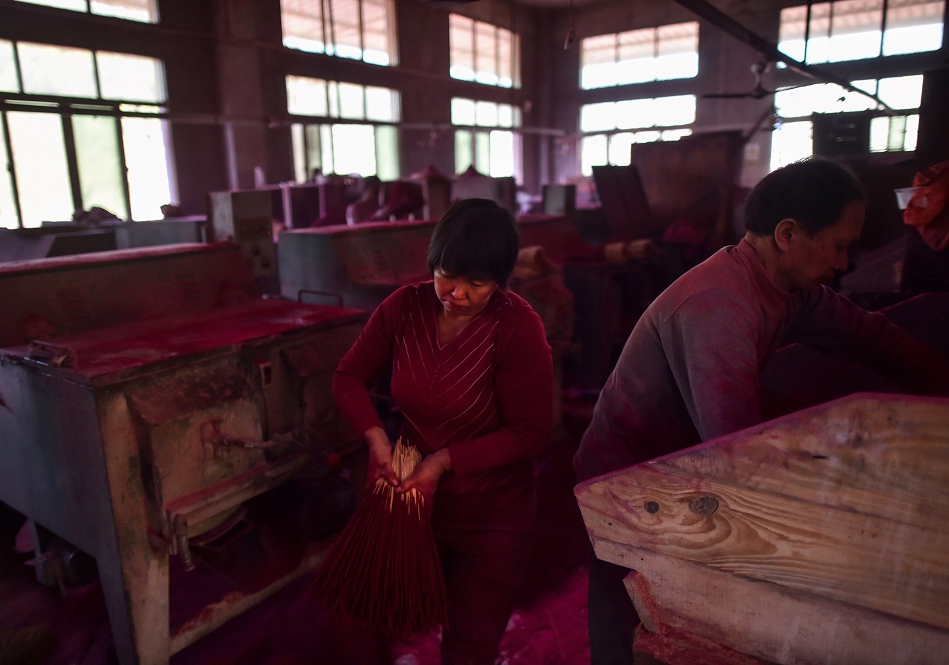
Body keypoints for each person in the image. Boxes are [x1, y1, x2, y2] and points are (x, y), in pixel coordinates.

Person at [573, 156, 949, 665]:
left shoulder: (793, 289)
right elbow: (734, 445)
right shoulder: (717, 306)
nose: (843, 262)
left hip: (677, 465)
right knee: (633, 609)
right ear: (788, 233)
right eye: (839, 245)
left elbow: (868, 337)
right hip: (623, 479)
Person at [331, 198, 555, 665]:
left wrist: (442, 461)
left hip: (491, 517)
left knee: (469, 646)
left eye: (476, 284)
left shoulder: (516, 328)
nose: (456, 293)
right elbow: (348, 377)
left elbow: (531, 433)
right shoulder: (404, 308)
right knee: (379, 620)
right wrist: (377, 438)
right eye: (446, 275)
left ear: (500, 281)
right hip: (412, 505)